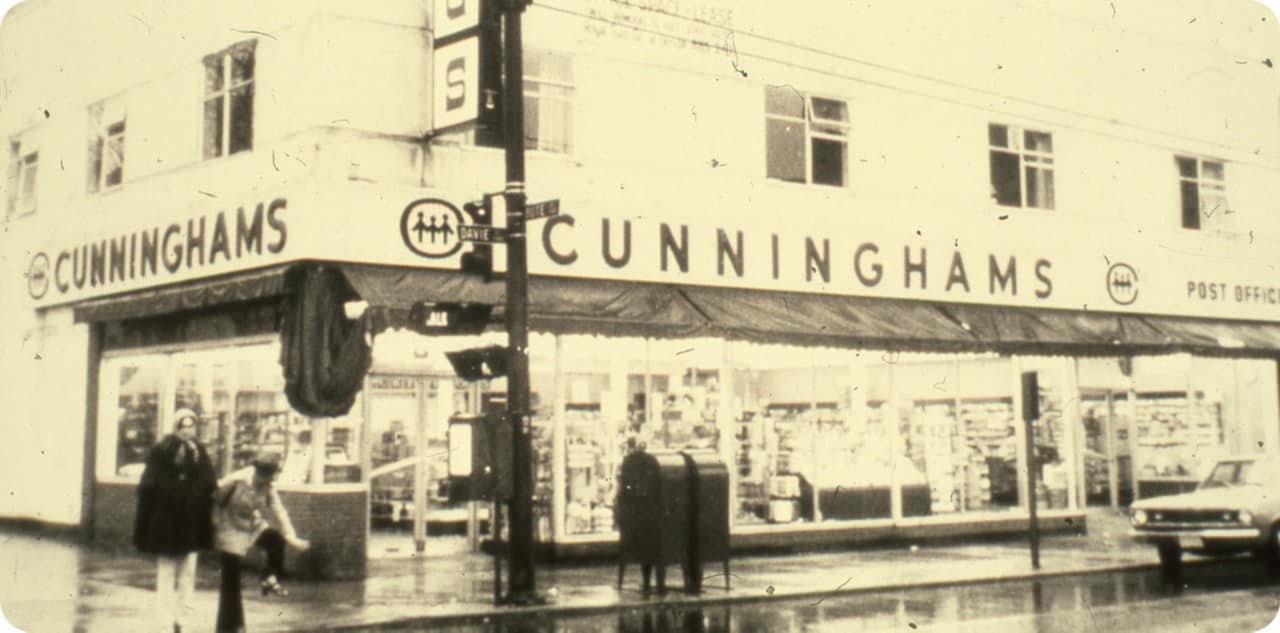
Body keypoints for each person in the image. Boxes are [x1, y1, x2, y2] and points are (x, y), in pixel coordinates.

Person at [133, 407, 217, 633]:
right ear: (175, 427)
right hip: (167, 521)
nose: (188, 431)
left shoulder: (199, 451)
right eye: (183, 426)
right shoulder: (162, 450)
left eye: (191, 426)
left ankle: (183, 618)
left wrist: (197, 496)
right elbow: (151, 482)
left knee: (188, 571)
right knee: (167, 571)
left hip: (190, 521)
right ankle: (163, 620)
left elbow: (208, 479)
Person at [213, 452, 310, 633]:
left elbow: (280, 512)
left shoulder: (268, 486)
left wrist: (292, 538)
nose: (264, 484)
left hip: (250, 525)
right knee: (231, 580)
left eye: (268, 480)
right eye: (262, 479)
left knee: (275, 540)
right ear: (256, 473)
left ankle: (268, 578)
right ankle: (229, 627)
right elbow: (213, 497)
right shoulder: (236, 480)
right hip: (228, 528)